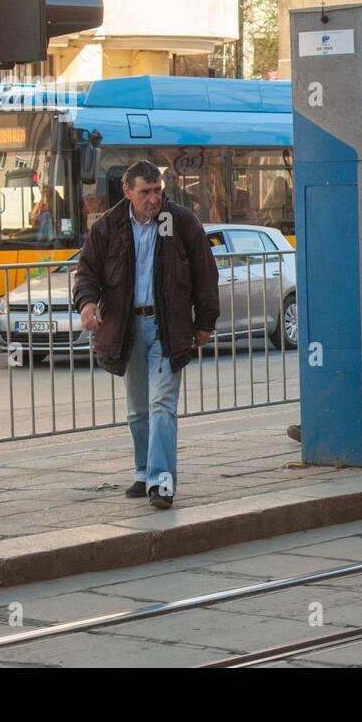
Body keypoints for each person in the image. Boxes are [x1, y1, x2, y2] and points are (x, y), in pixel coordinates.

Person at [73, 160, 220, 509]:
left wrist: (205, 323)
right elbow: (87, 271)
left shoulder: (181, 222)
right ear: (128, 191)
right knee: (137, 410)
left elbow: (205, 274)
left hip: (167, 326)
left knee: (161, 404)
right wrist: (87, 304)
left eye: (158, 191)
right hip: (126, 326)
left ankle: (161, 481)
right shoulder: (108, 225)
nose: (153, 199)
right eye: (145, 192)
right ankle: (143, 472)